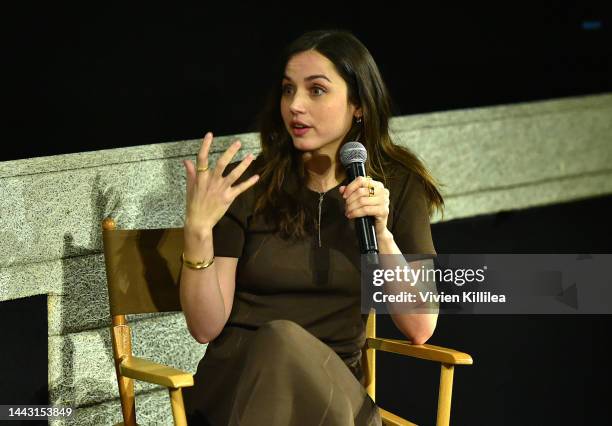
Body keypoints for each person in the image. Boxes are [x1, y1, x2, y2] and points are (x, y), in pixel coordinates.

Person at [179, 29, 443, 426]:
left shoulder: (397, 185)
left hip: (331, 392)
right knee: (279, 339)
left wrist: (383, 235)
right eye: (288, 90)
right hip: (237, 389)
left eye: (316, 90)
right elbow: (205, 327)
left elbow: (420, 326)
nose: (295, 106)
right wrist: (198, 232)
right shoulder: (250, 184)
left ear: (359, 105)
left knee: (292, 353)